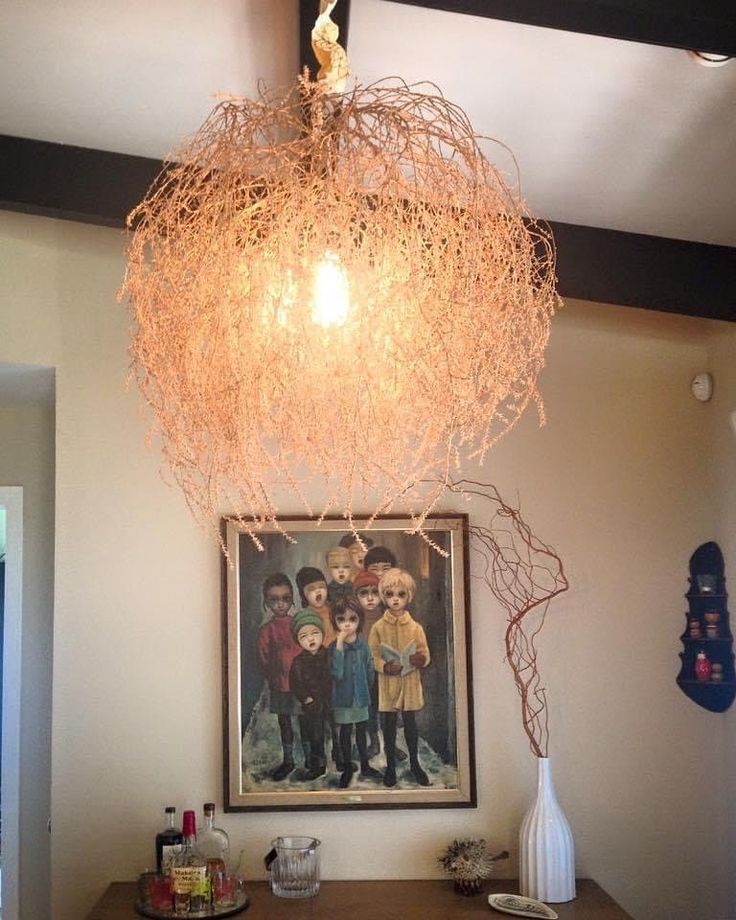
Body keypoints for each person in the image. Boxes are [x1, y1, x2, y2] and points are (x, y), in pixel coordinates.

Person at [368, 568, 431, 788]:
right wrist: (384, 666)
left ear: (408, 596)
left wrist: (420, 660)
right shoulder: (377, 628)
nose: (395, 599)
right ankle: (391, 767)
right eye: (389, 594)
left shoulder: (415, 628)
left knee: (411, 724)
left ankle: (415, 763)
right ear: (383, 596)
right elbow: (372, 656)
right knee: (389, 725)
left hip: (410, 683)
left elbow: (425, 653)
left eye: (400, 594)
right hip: (389, 685)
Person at [330, 595, 382, 787]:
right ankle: (346, 767)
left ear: (359, 621)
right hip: (343, 699)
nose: (347, 624)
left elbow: (370, 670)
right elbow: (337, 673)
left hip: (360, 698)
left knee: (361, 732)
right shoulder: (334, 648)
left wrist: (365, 691)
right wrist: (339, 646)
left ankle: (366, 765)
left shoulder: (363, 646)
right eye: (341, 619)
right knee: (345, 732)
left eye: (352, 619)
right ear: (334, 621)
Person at [256, 573, 302, 781]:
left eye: (285, 598)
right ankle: (289, 760)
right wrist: (275, 675)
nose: (280, 604)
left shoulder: (298, 623)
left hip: (302, 684)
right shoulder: (267, 630)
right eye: (274, 600)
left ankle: (311, 759)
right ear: (266, 602)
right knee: (285, 723)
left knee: (306, 722)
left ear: (292, 599)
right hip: (280, 685)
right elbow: (263, 657)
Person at [289, 610, 333, 780]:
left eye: (315, 633)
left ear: (322, 634)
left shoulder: (330, 655)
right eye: (304, 636)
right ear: (298, 641)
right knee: (316, 735)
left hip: (330, 701)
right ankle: (318, 765)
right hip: (312, 705)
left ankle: (340, 760)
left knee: (336, 731)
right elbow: (295, 683)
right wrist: (306, 698)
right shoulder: (298, 662)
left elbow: (336, 676)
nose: (311, 639)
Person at [296, 566, 336, 646]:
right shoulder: (306, 617)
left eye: (321, 586)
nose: (318, 591)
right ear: (303, 594)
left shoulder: (335, 609)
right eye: (311, 589)